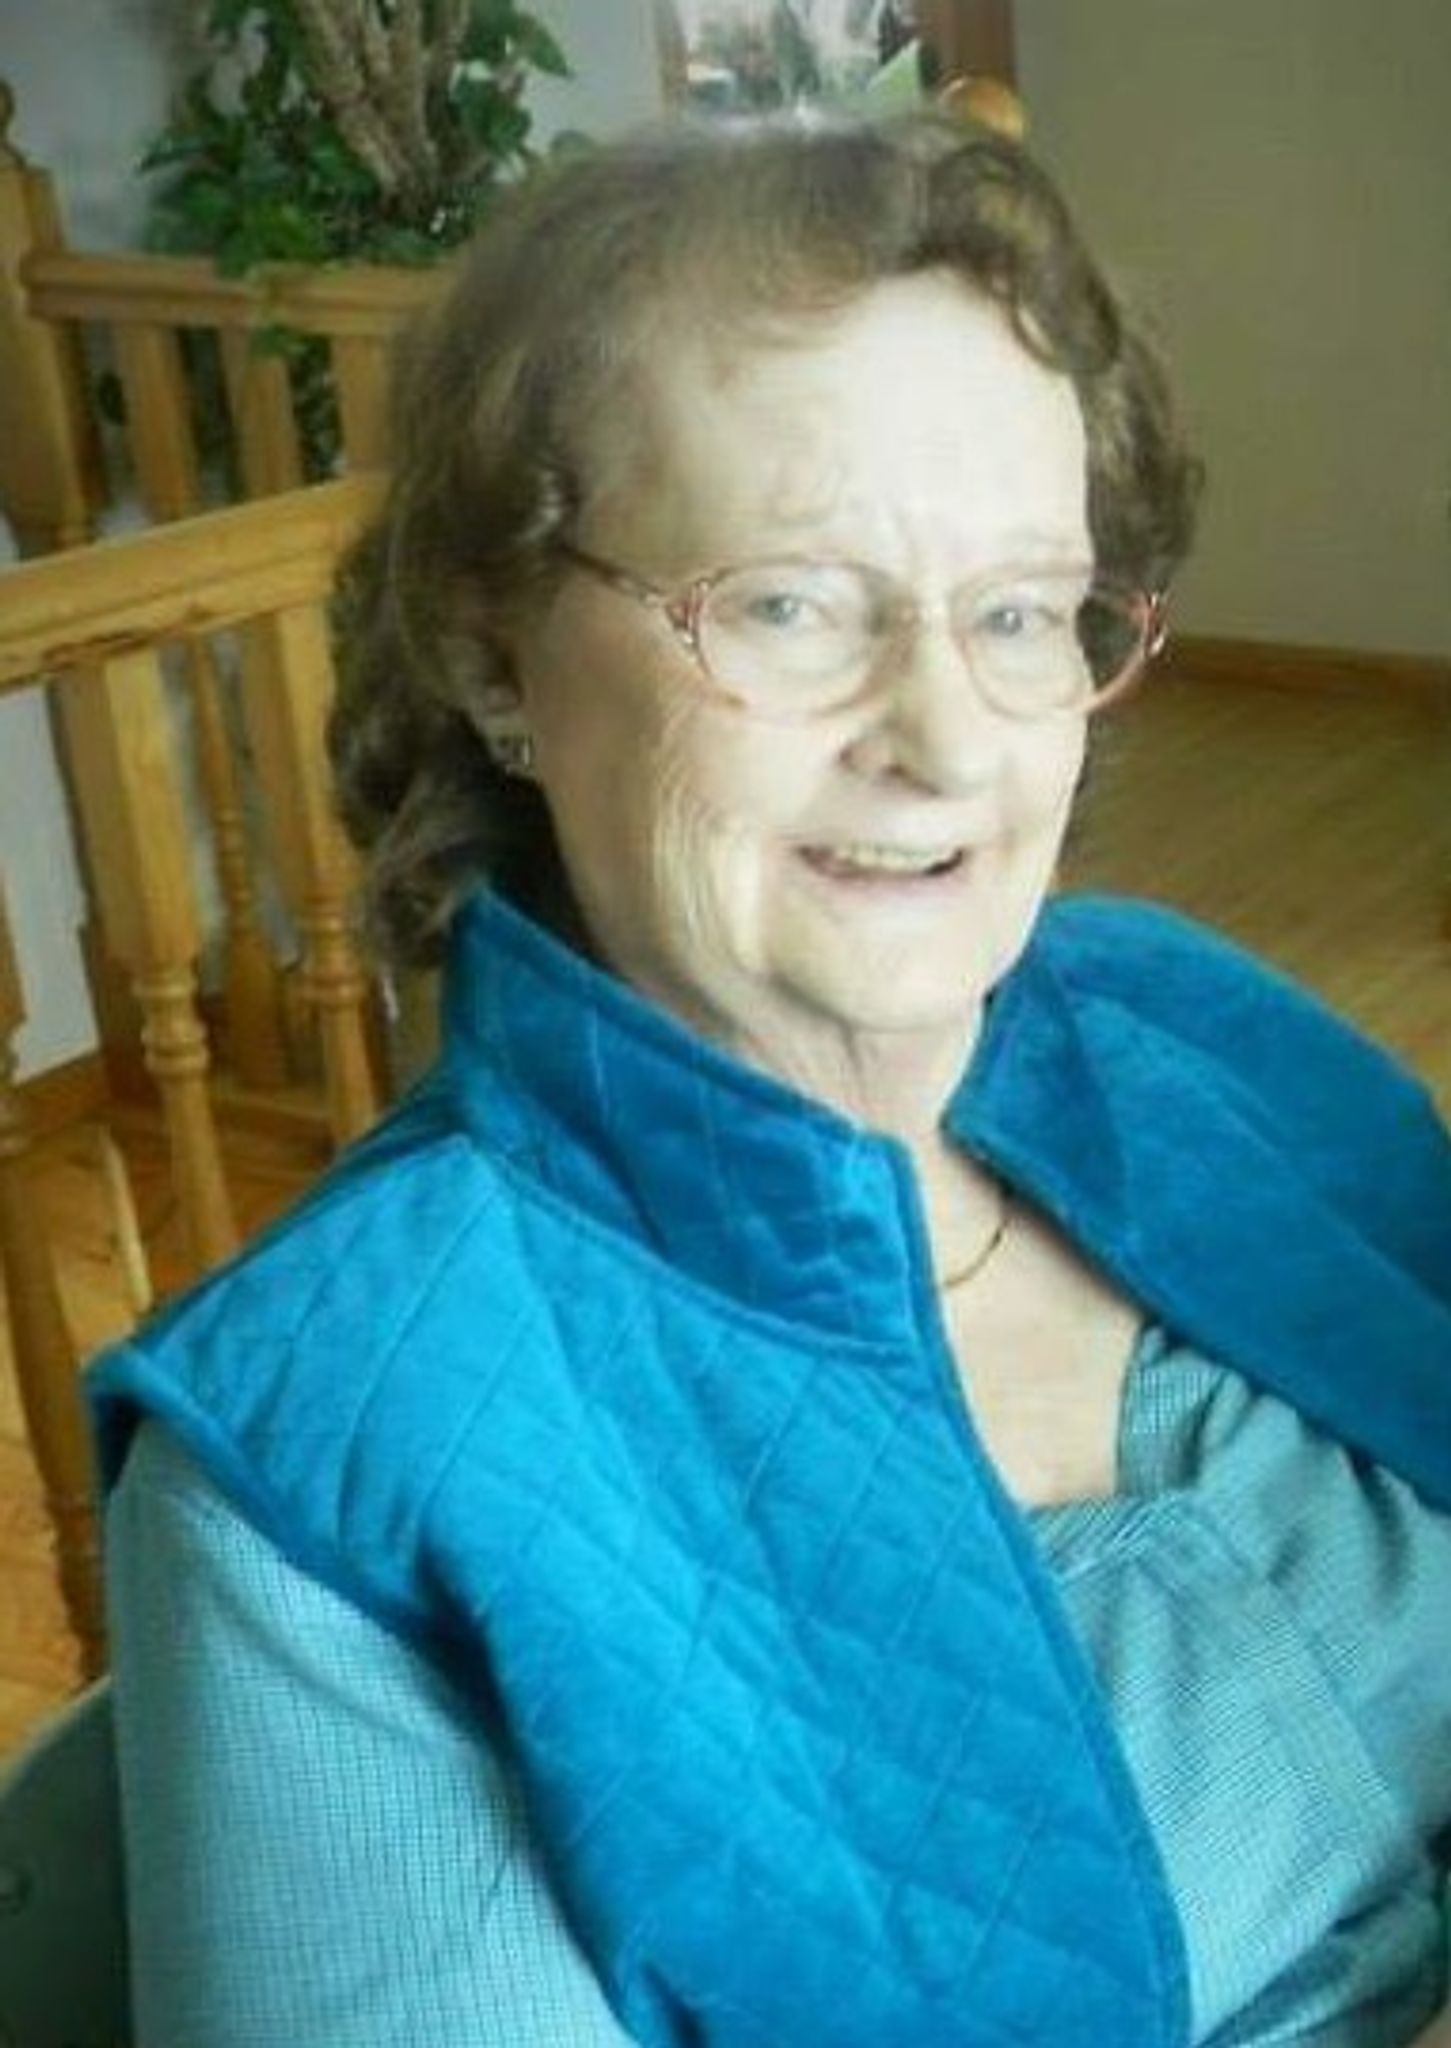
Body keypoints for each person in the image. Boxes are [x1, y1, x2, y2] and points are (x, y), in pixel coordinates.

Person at [91, 111, 1451, 2047]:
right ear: (494, 657)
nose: (945, 739)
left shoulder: (1199, 1031)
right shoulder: (324, 1459)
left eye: (1018, 611)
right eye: (791, 603)